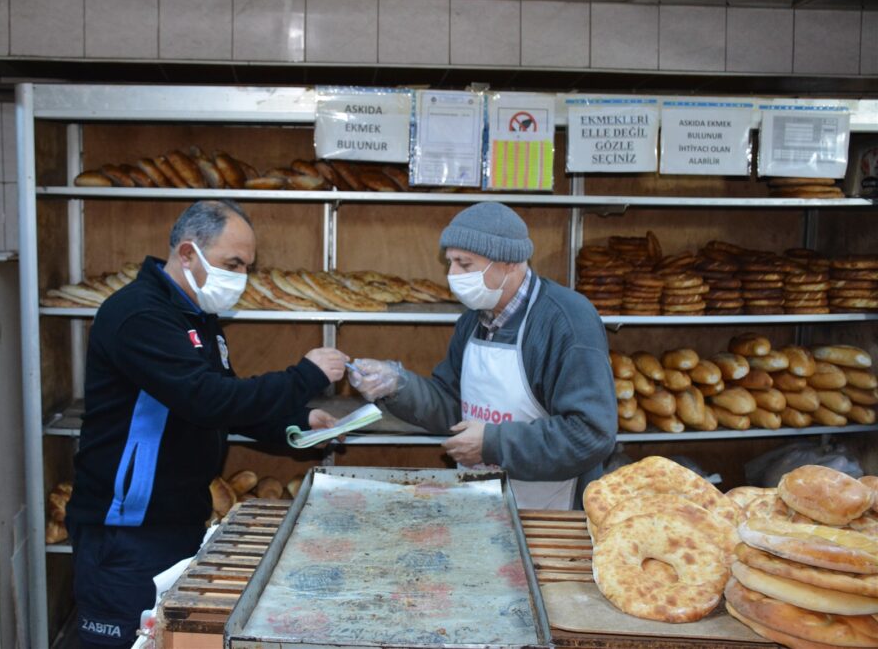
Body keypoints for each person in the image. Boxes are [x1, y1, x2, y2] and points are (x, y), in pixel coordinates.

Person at [66, 200, 349, 648]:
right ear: (186, 254)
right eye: (232, 264)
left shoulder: (196, 317)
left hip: (179, 520)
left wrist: (295, 426)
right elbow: (204, 399)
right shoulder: (139, 316)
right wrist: (305, 376)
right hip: (126, 533)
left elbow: (226, 401)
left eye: (247, 267)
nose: (240, 277)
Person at [348, 202, 615, 510]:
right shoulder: (474, 319)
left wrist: (492, 444)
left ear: (510, 263)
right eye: (450, 263)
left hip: (550, 513)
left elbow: (591, 433)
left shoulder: (566, 321)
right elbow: (453, 404)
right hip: (481, 504)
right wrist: (397, 385)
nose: (453, 275)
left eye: (465, 264)